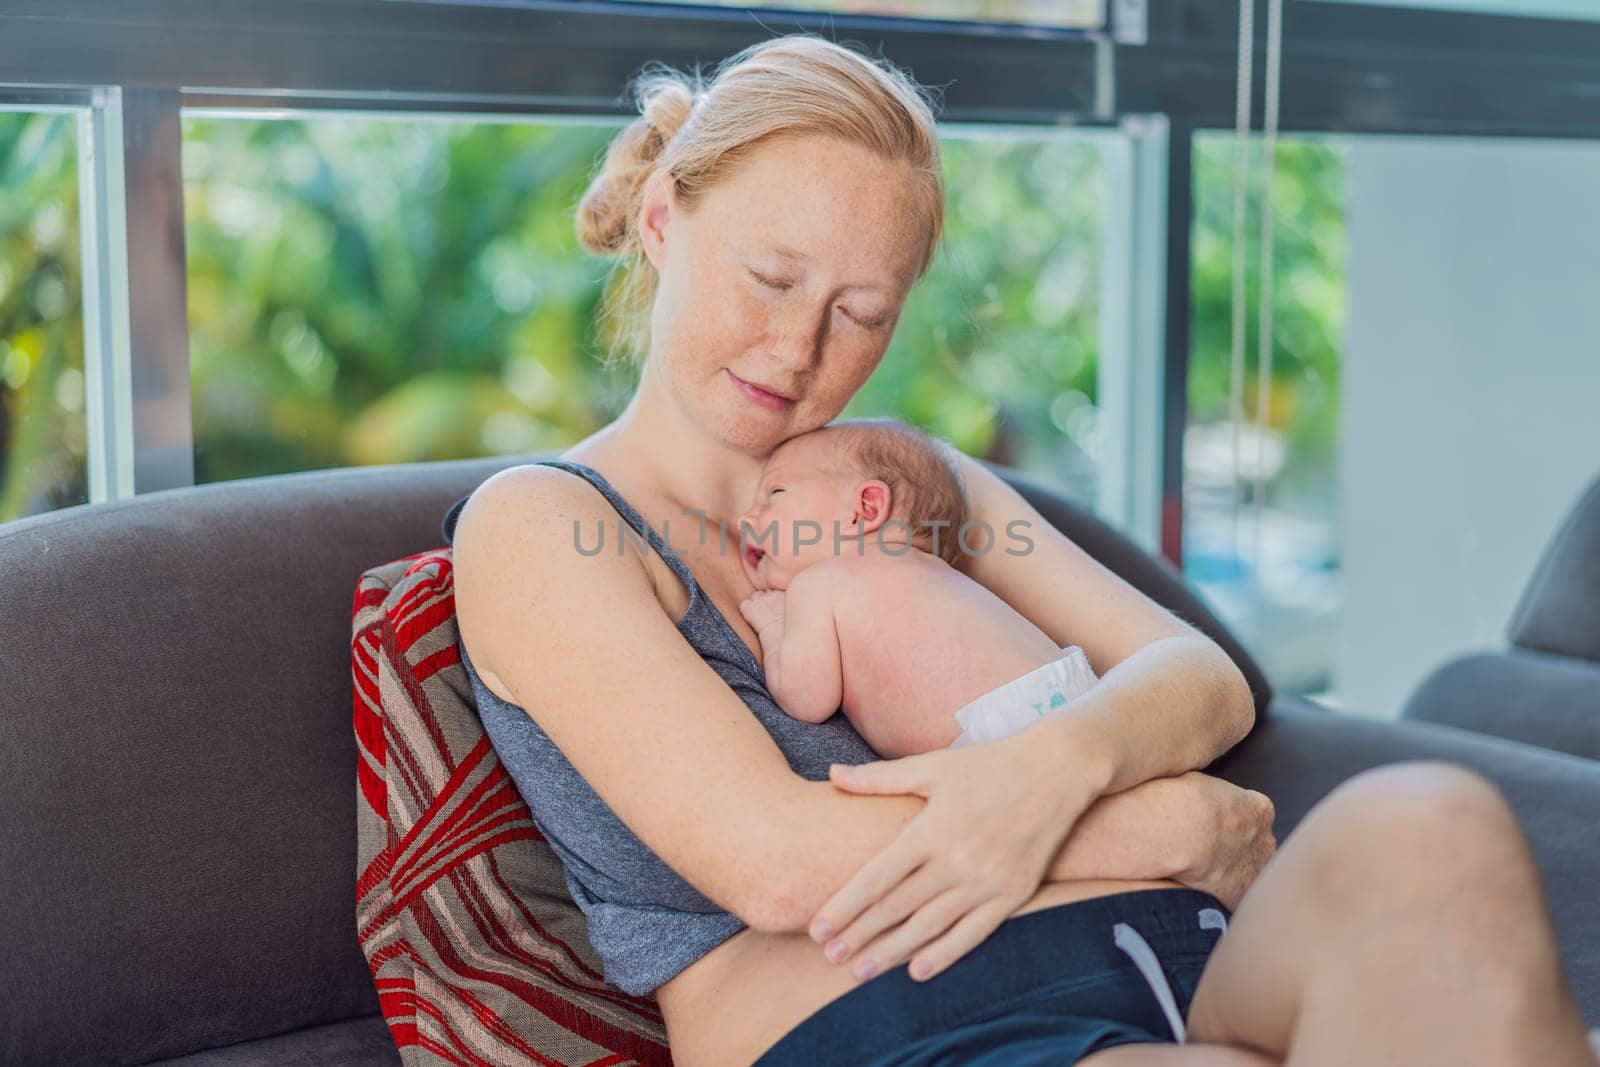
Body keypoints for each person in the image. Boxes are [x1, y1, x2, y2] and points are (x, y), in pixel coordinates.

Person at [444, 33, 1597, 1067]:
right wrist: (1160, 822)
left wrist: (1061, 759)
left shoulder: (893, 479)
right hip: (898, 1024)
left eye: (860, 313)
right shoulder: (547, 524)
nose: (797, 347)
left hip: (1182, 962)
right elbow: (779, 860)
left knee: (1435, 825)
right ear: (662, 222)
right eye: (771, 278)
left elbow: (1200, 678)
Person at [733, 416, 1107, 758]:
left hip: (997, 737)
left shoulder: (821, 584)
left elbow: (806, 698)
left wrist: (773, 626)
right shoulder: (939, 577)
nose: (749, 516)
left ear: (865, 507)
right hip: (1080, 700)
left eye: (776, 493)